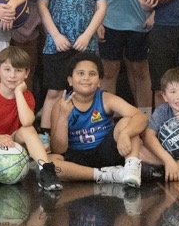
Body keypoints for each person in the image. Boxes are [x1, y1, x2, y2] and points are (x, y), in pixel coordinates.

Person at [36, 0, 107, 132]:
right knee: (54, 91)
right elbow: (42, 5)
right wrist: (55, 35)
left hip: (86, 43)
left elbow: (101, 7)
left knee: (85, 91)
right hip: (57, 44)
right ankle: (46, 135)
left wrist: (87, 35)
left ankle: (84, 133)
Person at [0, 47, 62, 191]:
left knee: (28, 130)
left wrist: (18, 92)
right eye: (7, 69)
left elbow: (27, 122)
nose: (12, 75)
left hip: (13, 143)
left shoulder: (26, 96)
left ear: (26, 73)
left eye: (18, 70)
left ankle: (45, 171)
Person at [48, 51, 146, 186]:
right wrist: (63, 117)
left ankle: (131, 169)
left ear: (99, 81)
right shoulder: (60, 105)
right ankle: (106, 175)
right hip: (77, 158)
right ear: (70, 80)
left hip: (105, 152)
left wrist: (125, 134)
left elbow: (140, 116)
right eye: (80, 73)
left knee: (127, 122)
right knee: (49, 162)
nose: (86, 78)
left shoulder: (106, 98)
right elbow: (59, 149)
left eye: (92, 74)